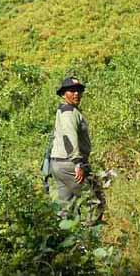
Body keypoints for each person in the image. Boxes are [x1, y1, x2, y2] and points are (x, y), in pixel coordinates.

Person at [49, 76, 93, 206]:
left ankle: (65, 226)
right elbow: (69, 137)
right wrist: (77, 163)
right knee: (94, 199)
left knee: (67, 205)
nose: (76, 94)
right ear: (63, 94)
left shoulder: (65, 110)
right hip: (69, 164)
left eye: (79, 91)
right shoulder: (68, 111)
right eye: (72, 91)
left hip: (59, 163)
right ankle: (92, 226)